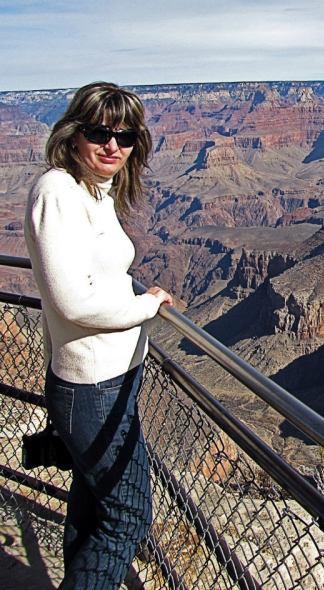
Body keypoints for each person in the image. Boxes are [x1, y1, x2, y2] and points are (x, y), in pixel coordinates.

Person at [24, 82, 173, 589]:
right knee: (127, 516)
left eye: (126, 136)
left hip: (115, 379)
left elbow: (97, 273)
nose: (113, 145)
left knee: (92, 508)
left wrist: (133, 288)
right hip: (91, 389)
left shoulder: (94, 190)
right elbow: (73, 301)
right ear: (73, 133)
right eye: (99, 132)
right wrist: (147, 304)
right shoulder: (58, 191)